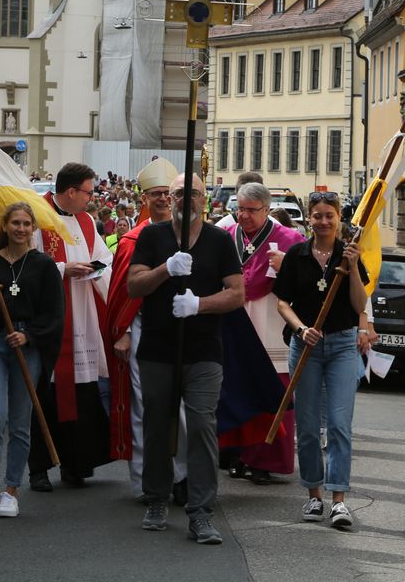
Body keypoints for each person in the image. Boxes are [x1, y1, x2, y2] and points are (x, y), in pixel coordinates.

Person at [128, 173, 244, 546]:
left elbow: (237, 293)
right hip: (158, 348)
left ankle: (201, 512)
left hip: (203, 350)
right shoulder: (152, 236)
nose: (185, 199)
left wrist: (199, 305)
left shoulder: (219, 240)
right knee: (157, 425)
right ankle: (156, 499)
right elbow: (134, 284)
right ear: (170, 198)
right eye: (178, 193)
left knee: (201, 425)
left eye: (193, 193)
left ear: (204, 199)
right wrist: (166, 269)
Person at [274, 191, 371, 529]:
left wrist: (353, 268)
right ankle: (314, 495)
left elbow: (359, 305)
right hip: (306, 348)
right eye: (318, 215)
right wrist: (301, 329)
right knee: (308, 426)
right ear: (309, 218)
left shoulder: (349, 255)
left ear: (339, 219)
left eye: (330, 215)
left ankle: (339, 500)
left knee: (340, 425)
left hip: (342, 345)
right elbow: (282, 302)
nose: (324, 221)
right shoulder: (297, 255)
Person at [0, 203, 64, 521]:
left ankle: (11, 490)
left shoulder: (44, 265)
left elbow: (55, 314)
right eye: (15, 223)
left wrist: (29, 336)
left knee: (21, 422)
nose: (21, 229)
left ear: (33, 228)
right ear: (5, 226)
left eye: (26, 224)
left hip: (28, 346)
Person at [103, 158, 188, 504]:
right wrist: (123, 332)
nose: (164, 199)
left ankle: (182, 477)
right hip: (143, 332)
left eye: (169, 193)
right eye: (156, 194)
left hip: (184, 332)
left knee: (184, 408)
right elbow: (123, 293)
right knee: (145, 407)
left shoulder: (193, 234)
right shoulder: (132, 240)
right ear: (144, 199)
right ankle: (145, 482)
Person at [28, 162, 114, 491]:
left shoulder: (87, 221)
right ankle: (39, 468)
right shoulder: (38, 216)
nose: (92, 199)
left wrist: (94, 269)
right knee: (44, 395)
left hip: (83, 317)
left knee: (82, 392)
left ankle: (76, 464)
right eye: (88, 193)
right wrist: (63, 269)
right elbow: (27, 263)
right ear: (70, 192)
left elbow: (104, 260)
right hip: (49, 322)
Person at [219, 183, 307, 484]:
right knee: (237, 391)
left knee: (272, 394)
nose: (243, 216)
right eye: (240, 209)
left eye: (251, 210)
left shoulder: (291, 240)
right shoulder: (227, 236)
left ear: (267, 209)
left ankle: (266, 461)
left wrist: (286, 267)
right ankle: (237, 455)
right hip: (235, 325)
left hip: (271, 328)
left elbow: (306, 285)